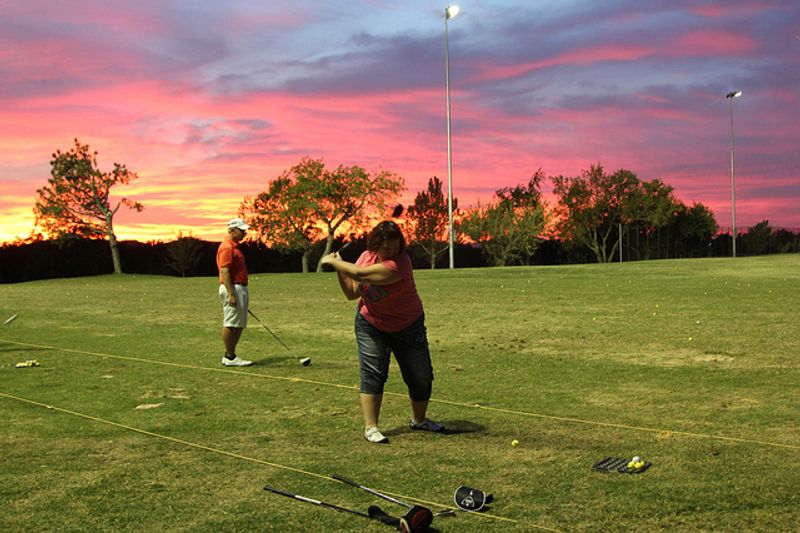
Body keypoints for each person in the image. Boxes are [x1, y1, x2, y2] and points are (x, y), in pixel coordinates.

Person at [320, 221, 443, 443]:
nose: (391, 252)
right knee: (373, 372)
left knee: (420, 375)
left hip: (408, 324)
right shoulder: (367, 256)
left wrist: (334, 261)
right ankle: (371, 427)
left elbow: (359, 274)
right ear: (377, 244)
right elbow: (351, 292)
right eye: (387, 248)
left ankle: (419, 421)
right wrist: (338, 267)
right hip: (371, 323)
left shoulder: (401, 263)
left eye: (395, 247)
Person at [216, 217, 253, 367]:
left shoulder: (235, 247)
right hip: (232, 287)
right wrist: (232, 294)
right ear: (232, 230)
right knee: (231, 322)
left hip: (239, 287)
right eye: (241, 230)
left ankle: (231, 355)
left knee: (238, 323)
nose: (245, 233)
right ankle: (229, 356)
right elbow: (224, 271)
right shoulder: (227, 247)